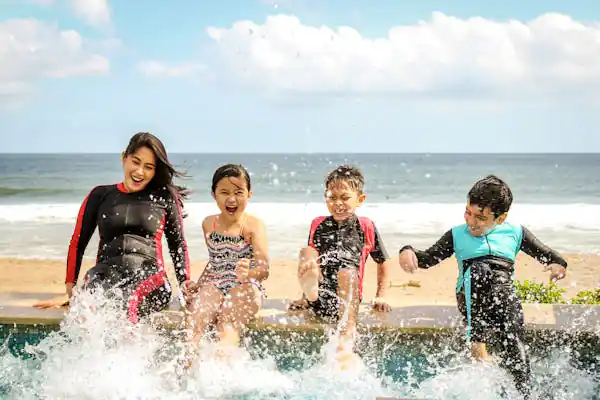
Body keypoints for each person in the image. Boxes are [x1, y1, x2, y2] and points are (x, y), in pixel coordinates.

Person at [398, 174, 568, 399]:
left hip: (504, 299)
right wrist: (407, 250)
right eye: (468, 212)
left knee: (515, 344)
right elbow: (428, 258)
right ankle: (478, 347)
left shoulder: (515, 232)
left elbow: (547, 254)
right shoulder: (457, 234)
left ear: (500, 218)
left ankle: (524, 392)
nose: (471, 221)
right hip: (470, 294)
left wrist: (558, 265)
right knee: (480, 270)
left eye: (481, 217)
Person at [34, 132, 192, 325]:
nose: (140, 171)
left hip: (150, 279)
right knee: (85, 309)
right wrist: (71, 287)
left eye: (148, 167)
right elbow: (78, 242)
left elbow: (178, 245)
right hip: (104, 275)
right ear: (123, 158)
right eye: (136, 162)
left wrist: (185, 284)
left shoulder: (164, 198)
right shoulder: (100, 195)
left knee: (127, 307)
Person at [289, 164, 391, 367]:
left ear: (360, 199)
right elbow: (313, 261)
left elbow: (383, 261)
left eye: (345, 197)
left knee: (346, 272)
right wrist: (303, 299)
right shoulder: (318, 224)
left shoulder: (365, 226)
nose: (338, 203)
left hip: (347, 303)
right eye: (331, 197)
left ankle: (347, 333)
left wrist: (381, 295)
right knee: (306, 252)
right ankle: (308, 294)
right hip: (321, 297)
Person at [182, 164, 269, 362]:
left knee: (226, 322)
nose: (231, 199)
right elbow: (215, 261)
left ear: (249, 194)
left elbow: (264, 269)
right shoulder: (208, 224)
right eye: (224, 192)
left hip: (245, 286)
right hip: (214, 283)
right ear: (213, 194)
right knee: (196, 320)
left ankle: (224, 372)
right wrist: (199, 284)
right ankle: (187, 370)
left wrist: (250, 272)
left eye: (239, 192)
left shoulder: (254, 226)